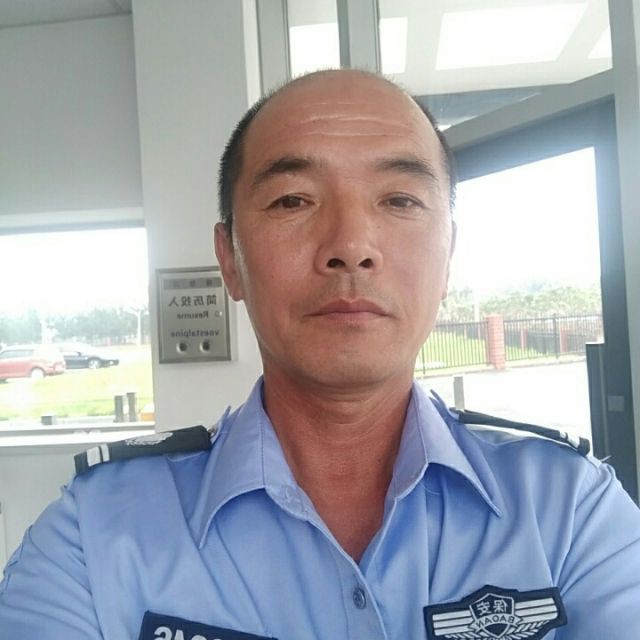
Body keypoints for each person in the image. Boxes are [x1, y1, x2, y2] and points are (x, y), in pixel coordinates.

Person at [1, 69, 639, 640]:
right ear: (230, 260)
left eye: (399, 200)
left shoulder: (569, 509)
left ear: (448, 255)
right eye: (293, 200)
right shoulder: (92, 536)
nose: (351, 246)